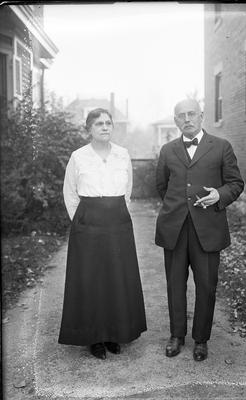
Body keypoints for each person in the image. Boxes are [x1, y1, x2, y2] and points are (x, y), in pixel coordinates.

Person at [155, 98, 244, 361]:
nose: (187, 119)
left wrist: (219, 195)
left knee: (206, 286)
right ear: (175, 121)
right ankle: (177, 335)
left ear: (202, 116)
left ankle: (201, 339)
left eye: (191, 113)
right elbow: (161, 186)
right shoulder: (168, 150)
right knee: (174, 284)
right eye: (181, 115)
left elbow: (236, 183)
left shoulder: (221, 147)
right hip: (175, 229)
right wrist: (177, 209)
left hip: (208, 228)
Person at [58, 108, 147, 359]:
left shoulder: (122, 154)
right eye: (99, 123)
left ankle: (114, 333)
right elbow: (70, 194)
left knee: (116, 277)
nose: (105, 127)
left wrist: (116, 214)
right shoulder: (78, 157)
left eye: (108, 123)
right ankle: (93, 337)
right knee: (89, 279)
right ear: (89, 129)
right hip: (88, 223)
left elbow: (127, 191)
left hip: (117, 222)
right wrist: (82, 221)